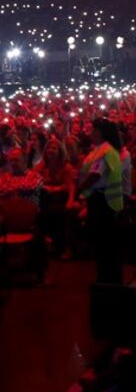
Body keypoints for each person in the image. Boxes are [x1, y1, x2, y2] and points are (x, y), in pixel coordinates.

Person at [77, 118, 123, 284]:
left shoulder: (105, 151)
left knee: (104, 242)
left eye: (93, 129)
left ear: (100, 132)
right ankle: (107, 276)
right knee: (104, 242)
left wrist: (80, 188)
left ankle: (108, 279)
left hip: (103, 201)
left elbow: (95, 174)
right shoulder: (100, 149)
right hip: (100, 199)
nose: (90, 131)